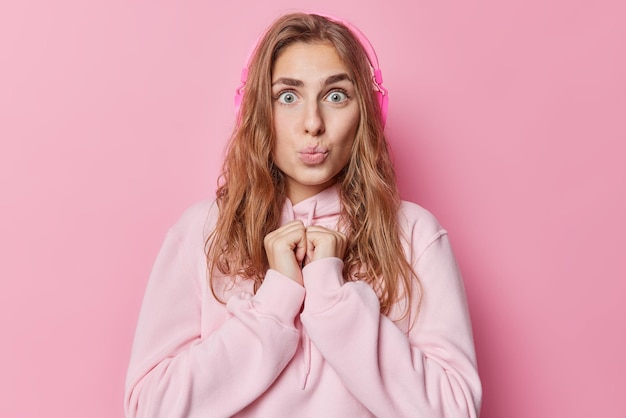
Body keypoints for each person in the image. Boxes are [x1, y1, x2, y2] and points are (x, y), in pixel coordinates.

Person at [124, 11, 482, 418]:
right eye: (288, 97)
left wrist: (333, 300)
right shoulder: (201, 232)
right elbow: (150, 408)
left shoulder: (416, 235)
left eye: (335, 96)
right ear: (256, 110)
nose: (313, 123)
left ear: (366, 111)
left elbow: (454, 411)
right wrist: (275, 302)